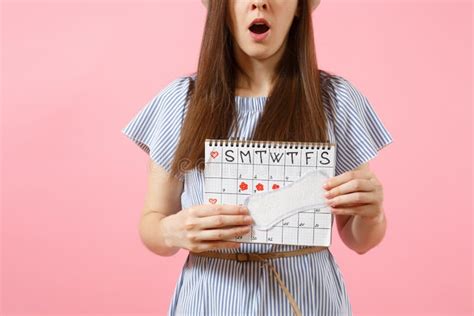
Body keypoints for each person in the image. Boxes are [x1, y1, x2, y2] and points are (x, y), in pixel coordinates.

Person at [121, 0, 393, 315]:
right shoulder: (181, 100)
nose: (258, 2)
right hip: (211, 299)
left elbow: (359, 238)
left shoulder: (335, 99)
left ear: (299, 8)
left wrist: (373, 215)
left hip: (307, 299)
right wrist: (173, 231)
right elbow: (152, 220)